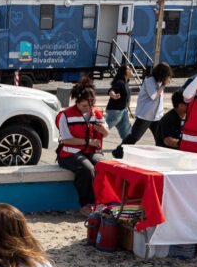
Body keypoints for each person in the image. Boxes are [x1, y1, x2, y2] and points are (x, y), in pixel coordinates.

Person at [55, 82, 109, 214]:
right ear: (77, 102)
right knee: (87, 169)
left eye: (90, 105)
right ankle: (86, 204)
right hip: (69, 154)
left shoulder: (96, 113)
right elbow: (66, 139)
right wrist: (88, 141)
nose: (88, 109)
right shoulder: (65, 115)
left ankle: (104, 201)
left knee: (105, 166)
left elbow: (106, 133)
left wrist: (103, 130)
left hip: (90, 151)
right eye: (84, 106)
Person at [112, 62, 172, 158]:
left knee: (160, 137)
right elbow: (154, 96)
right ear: (161, 74)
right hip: (146, 115)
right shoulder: (149, 81)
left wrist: (162, 84)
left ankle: (162, 155)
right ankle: (119, 151)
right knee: (134, 136)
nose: (168, 78)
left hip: (156, 116)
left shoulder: (159, 82)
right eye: (167, 75)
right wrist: (164, 85)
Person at [105, 65, 132, 140]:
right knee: (103, 129)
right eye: (128, 69)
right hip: (115, 111)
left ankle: (126, 147)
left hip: (123, 110)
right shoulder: (120, 82)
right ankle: (90, 139)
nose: (131, 70)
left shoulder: (125, 83)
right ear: (124, 72)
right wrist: (114, 95)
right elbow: (111, 90)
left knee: (126, 132)